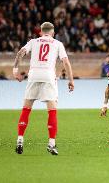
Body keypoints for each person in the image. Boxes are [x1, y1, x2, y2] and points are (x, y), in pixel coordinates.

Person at [13, 22, 74, 155]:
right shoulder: (57, 43)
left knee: (26, 108)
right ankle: (51, 143)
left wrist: (15, 70)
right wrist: (70, 80)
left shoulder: (33, 42)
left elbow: (20, 53)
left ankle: (20, 140)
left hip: (33, 75)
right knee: (52, 110)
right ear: (53, 32)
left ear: (40, 32)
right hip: (48, 76)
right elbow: (66, 62)